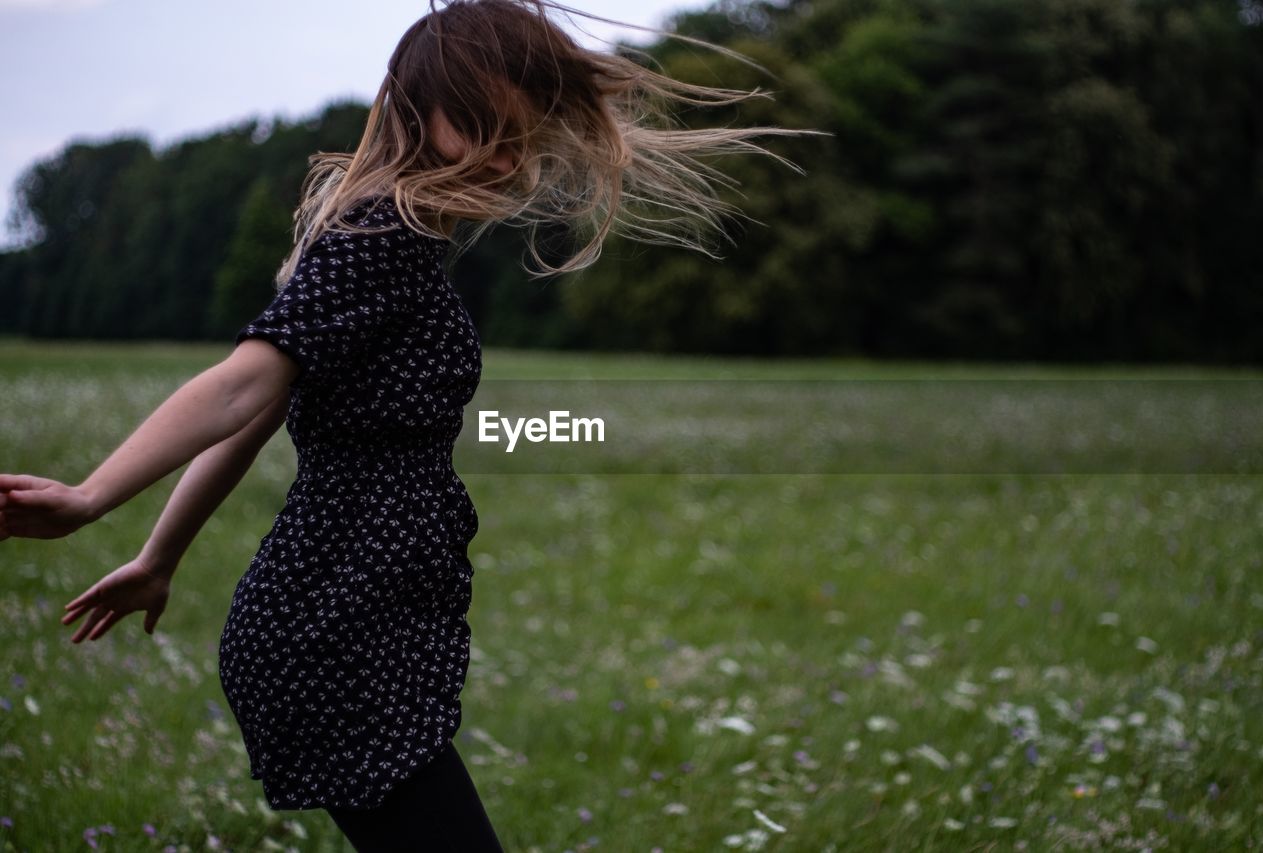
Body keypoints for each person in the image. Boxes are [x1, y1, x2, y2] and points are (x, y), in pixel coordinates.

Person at [0, 0, 814, 849]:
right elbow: (242, 387)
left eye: (519, 130)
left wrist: (158, 558)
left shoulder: (392, 232)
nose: (506, 154)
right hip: (333, 630)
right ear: (419, 112)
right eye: (481, 125)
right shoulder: (380, 235)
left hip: (347, 619)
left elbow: (261, 413)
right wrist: (92, 497)